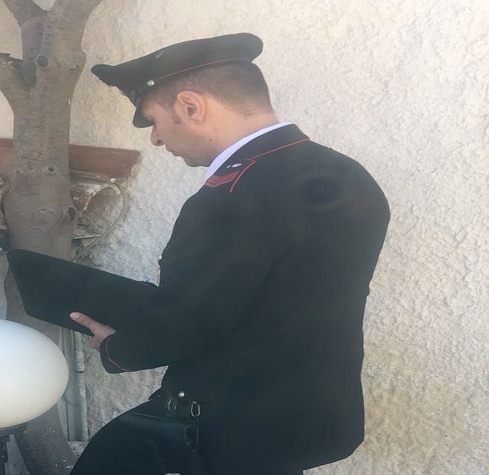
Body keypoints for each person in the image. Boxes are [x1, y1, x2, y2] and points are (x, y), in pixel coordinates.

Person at [67, 33, 391, 475]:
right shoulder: (348, 174)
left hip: (228, 422)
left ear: (190, 106)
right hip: (312, 413)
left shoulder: (233, 194)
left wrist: (116, 347)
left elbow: (192, 319)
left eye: (154, 120)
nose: (156, 139)